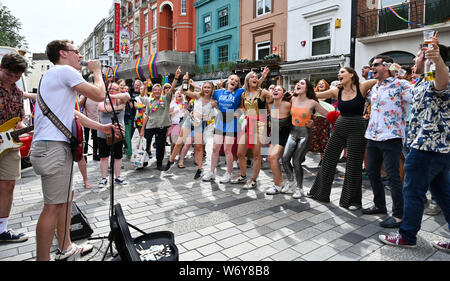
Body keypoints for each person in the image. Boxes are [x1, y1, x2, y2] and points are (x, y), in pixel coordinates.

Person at [29, 40, 119, 261]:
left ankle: (66, 244)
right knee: (52, 207)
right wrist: (97, 72)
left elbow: (73, 115)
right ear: (63, 53)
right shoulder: (64, 71)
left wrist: (101, 126)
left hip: (54, 148)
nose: (80, 56)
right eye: (76, 51)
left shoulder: (55, 76)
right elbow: (99, 95)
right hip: (53, 149)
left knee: (66, 199)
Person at [379, 38, 450, 252]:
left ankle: (407, 235)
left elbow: (442, 83)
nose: (413, 59)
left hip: (426, 147)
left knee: (412, 191)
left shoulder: (439, 78)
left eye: (417, 55)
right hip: (435, 149)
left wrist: (436, 60)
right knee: (444, 195)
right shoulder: (421, 80)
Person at [307, 67, 377, 210]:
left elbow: (380, 78)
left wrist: (394, 72)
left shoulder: (362, 87)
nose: (339, 74)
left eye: (342, 72)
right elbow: (315, 95)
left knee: (353, 164)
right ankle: (319, 193)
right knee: (328, 159)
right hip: (340, 126)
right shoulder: (336, 91)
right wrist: (300, 91)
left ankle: (351, 201)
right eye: (338, 73)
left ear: (352, 74)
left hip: (357, 128)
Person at [361, 55, 413, 228]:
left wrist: (401, 73)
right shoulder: (375, 87)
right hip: (373, 135)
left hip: (392, 136)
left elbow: (416, 98)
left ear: (387, 66)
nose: (372, 68)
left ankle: (399, 215)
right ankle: (379, 205)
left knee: (393, 177)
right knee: (372, 172)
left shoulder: (401, 84)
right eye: (371, 65)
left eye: (375, 65)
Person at [202, 70, 268, 183]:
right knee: (214, 148)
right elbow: (205, 93)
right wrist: (212, 103)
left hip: (231, 123)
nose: (234, 81)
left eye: (236, 81)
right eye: (232, 79)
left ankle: (228, 173)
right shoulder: (218, 92)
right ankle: (211, 172)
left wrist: (262, 77)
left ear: (238, 84)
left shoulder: (239, 92)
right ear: (228, 81)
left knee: (228, 149)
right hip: (220, 122)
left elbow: (253, 85)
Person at [281, 79, 330, 198]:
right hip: (292, 134)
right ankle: (291, 181)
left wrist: (314, 123)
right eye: (297, 83)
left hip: (305, 135)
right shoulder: (292, 99)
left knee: (297, 161)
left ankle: (300, 188)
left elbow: (327, 114)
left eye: (302, 83)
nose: (298, 84)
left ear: (307, 88)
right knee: (285, 158)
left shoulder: (312, 102)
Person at [0, 52, 29, 243]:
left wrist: (27, 129)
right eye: (9, 74)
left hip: (9, 146)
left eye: (17, 76)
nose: (13, 78)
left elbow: (18, 121)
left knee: (8, 185)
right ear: (1, 68)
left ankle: (2, 229)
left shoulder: (18, 92)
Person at [166, 79, 215, 179]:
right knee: (179, 142)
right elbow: (184, 91)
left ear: (212, 89)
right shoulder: (198, 95)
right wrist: (184, 80)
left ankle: (200, 169)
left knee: (198, 147)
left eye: (208, 87)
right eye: (205, 87)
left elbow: (214, 116)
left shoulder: (213, 102)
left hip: (200, 124)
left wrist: (206, 118)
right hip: (190, 120)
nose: (206, 89)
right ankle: (170, 161)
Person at [231, 69, 271, 189]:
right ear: (248, 81)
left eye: (256, 77)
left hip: (260, 123)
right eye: (252, 77)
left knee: (256, 155)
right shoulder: (244, 94)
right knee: (240, 153)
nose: (255, 78)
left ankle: (253, 180)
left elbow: (273, 103)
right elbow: (243, 106)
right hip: (248, 123)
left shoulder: (263, 92)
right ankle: (243, 176)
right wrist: (242, 113)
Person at [140, 67, 181, 170]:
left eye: (159, 90)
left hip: (162, 126)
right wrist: (142, 129)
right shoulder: (150, 101)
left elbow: (172, 89)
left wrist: (176, 77)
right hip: (150, 126)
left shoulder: (165, 99)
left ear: (161, 91)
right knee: (145, 144)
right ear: (153, 91)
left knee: (160, 146)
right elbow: (146, 115)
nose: (157, 91)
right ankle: (141, 161)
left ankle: (159, 164)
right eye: (155, 90)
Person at [97, 82, 130, 188]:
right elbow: (102, 109)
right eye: (110, 88)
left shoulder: (120, 99)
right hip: (103, 133)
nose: (112, 90)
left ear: (118, 90)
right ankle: (103, 178)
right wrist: (119, 107)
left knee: (118, 156)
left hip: (118, 133)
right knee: (104, 157)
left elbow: (127, 96)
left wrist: (113, 96)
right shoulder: (102, 99)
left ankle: (118, 176)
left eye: (114, 88)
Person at [265, 86, 292, 195]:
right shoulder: (270, 105)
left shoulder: (288, 105)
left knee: (274, 157)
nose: (275, 90)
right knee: (271, 158)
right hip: (275, 132)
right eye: (274, 89)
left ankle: (278, 185)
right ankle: (279, 183)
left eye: (279, 89)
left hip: (286, 133)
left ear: (283, 94)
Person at [309, 79, 332, 164]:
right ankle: (301, 157)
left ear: (326, 85)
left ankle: (323, 160)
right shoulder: (314, 97)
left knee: (324, 140)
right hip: (315, 120)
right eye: (319, 84)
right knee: (312, 139)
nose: (321, 85)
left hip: (325, 121)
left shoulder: (330, 96)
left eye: (323, 84)